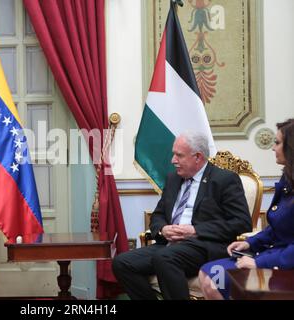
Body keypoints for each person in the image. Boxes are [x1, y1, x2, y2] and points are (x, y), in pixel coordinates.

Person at [112, 131, 252, 300]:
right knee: (122, 263)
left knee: (164, 258)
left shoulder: (224, 180)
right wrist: (163, 229)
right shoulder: (173, 179)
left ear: (198, 157)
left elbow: (242, 222)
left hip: (204, 246)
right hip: (169, 245)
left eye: (179, 155)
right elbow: (158, 215)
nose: (173, 160)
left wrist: (195, 230)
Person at [199, 119, 294, 300]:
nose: (273, 148)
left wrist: (258, 262)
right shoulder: (287, 180)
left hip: (282, 264)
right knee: (208, 273)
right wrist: (250, 243)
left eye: (278, 143)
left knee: (213, 281)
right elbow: (275, 229)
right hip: (269, 254)